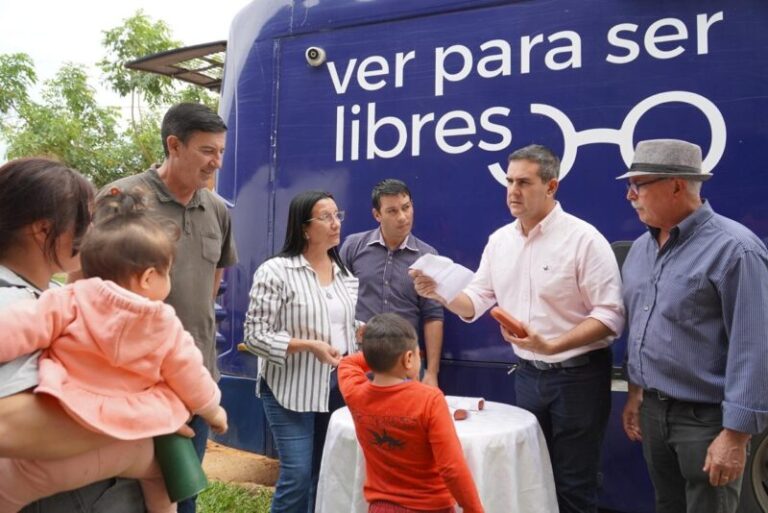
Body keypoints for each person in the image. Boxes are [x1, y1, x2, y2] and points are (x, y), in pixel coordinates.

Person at [411, 144, 625, 513]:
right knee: (530, 478)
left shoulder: (584, 240)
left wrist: (553, 345)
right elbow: (476, 299)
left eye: (524, 182)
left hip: (579, 379)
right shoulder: (500, 241)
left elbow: (610, 317)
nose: (513, 190)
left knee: (574, 484)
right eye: (509, 181)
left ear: (551, 186)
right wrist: (440, 293)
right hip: (528, 376)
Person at [0, 188, 228, 512]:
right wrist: (213, 410)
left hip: (68, 413)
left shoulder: (70, 296)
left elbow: (20, 328)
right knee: (163, 480)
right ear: (149, 277)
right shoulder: (164, 322)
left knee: (10, 489)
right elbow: (190, 374)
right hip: (131, 430)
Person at [618, 139, 768, 513]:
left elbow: (755, 348)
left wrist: (735, 435)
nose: (630, 195)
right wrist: (636, 394)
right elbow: (640, 325)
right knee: (667, 505)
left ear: (676, 185)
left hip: (706, 420)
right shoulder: (641, 248)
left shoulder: (736, 249)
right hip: (654, 411)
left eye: (639, 184)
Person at [106, 102, 238, 513]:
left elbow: (212, 284)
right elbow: (89, 287)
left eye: (220, 151)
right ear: (174, 145)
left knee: (184, 492)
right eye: (206, 151)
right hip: (133, 382)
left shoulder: (216, 208)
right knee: (127, 494)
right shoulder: (122, 199)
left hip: (195, 377)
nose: (216, 162)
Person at [0, 157, 145, 512]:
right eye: (85, 220)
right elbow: (9, 425)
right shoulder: (12, 304)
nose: (92, 231)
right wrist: (144, 422)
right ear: (43, 230)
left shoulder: (42, 292)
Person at [243, 190, 361, 513]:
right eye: (326, 217)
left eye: (338, 215)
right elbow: (254, 336)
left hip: (334, 389)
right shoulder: (276, 271)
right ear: (305, 228)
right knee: (296, 474)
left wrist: (359, 331)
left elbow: (340, 325)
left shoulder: (345, 277)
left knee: (322, 473)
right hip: (288, 389)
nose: (336, 223)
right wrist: (307, 345)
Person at [338, 312, 484, 513]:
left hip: (381, 508)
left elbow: (348, 363)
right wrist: (474, 509)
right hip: (432, 508)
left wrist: (378, 353)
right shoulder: (430, 400)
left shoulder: (355, 393)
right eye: (417, 354)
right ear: (408, 358)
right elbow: (452, 467)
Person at [340, 179, 444, 387]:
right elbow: (336, 299)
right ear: (377, 215)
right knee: (352, 419)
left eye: (406, 208)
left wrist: (432, 373)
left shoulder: (428, 257)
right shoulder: (353, 246)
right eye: (392, 211)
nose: (403, 217)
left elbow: (433, 316)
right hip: (360, 359)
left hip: (405, 362)